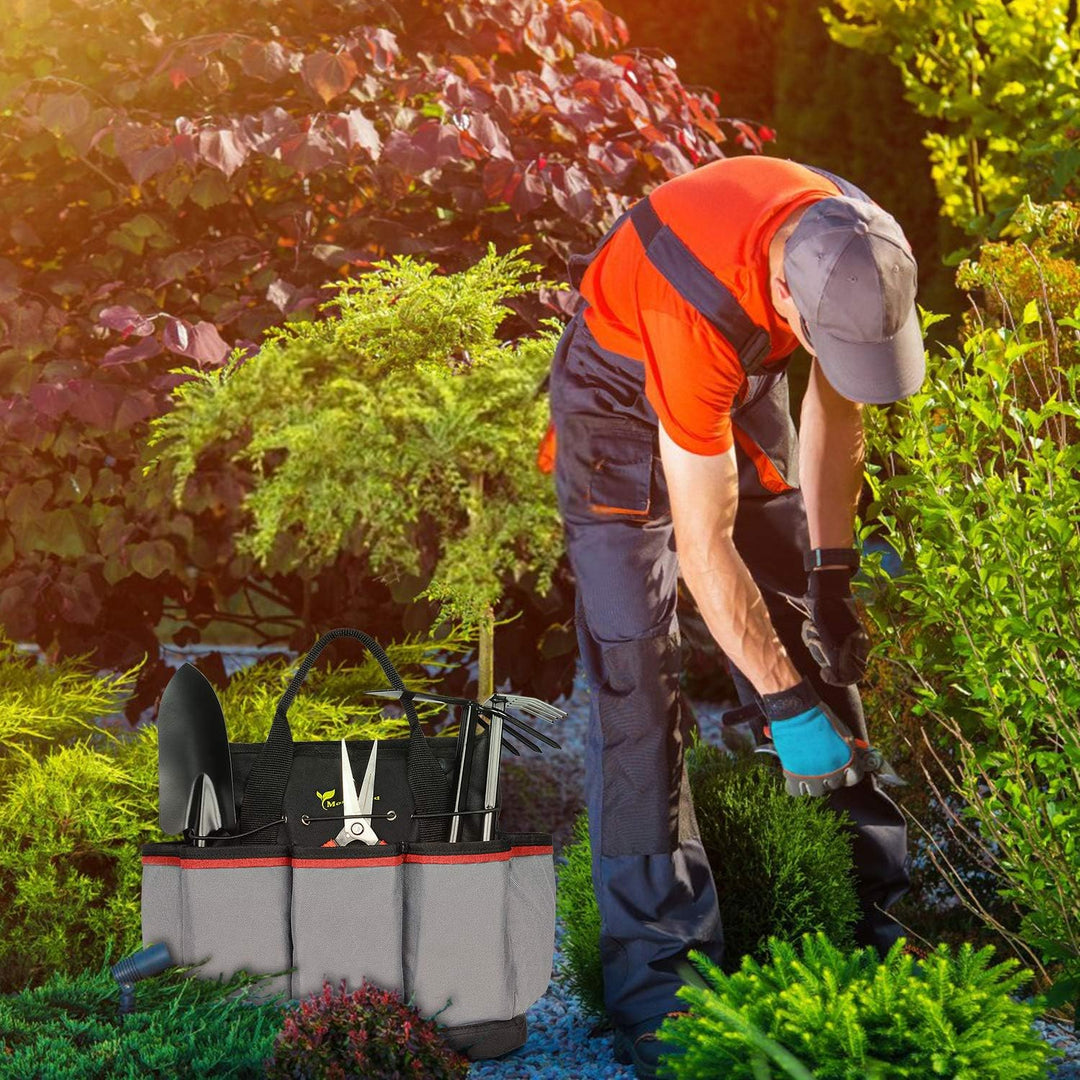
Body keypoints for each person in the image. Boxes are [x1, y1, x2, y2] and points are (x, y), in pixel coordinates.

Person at [538, 155, 924, 1079]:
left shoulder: (860, 248)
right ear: (787, 301)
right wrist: (785, 708)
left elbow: (838, 419)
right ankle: (663, 990)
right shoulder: (693, 310)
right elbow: (704, 547)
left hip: (736, 386)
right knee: (638, 678)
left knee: (802, 627)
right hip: (620, 397)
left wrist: (831, 577)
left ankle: (865, 922)